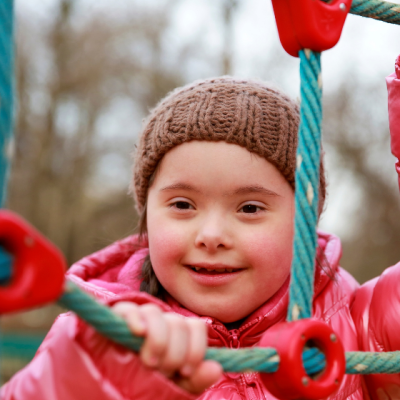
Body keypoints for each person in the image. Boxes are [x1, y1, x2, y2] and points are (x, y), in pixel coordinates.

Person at [2, 67, 400, 400]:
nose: (211, 235)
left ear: (305, 224)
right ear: (146, 215)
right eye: (182, 205)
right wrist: (85, 377)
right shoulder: (104, 339)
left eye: (249, 208)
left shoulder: (355, 322)